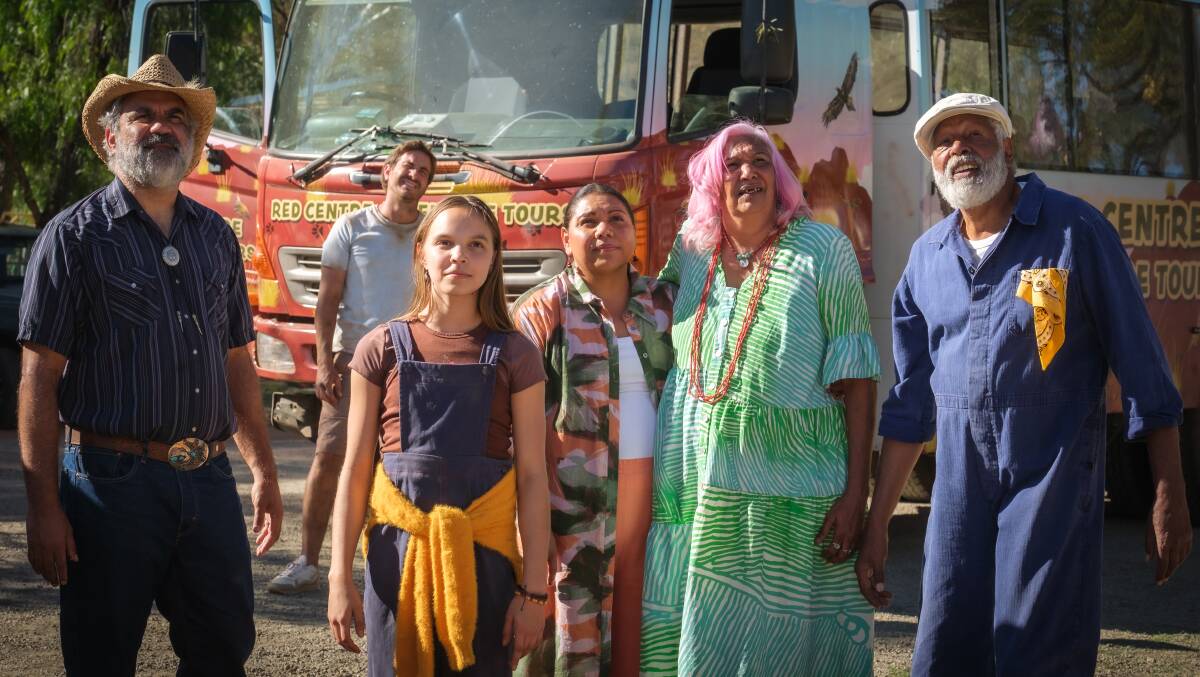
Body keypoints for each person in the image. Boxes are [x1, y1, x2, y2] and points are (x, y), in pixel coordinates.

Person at [859, 93, 1193, 674]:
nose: (959, 148)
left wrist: (1169, 490)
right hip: (958, 493)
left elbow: (1142, 364)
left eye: (976, 136)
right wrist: (878, 525)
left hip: (1053, 483)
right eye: (945, 141)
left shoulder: (1075, 231)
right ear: (933, 164)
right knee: (945, 649)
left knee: (1039, 655)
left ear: (1008, 147)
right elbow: (911, 405)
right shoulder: (925, 260)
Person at [17, 55, 283, 675]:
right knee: (101, 656)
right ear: (112, 135)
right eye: (143, 115)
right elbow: (39, 380)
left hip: (210, 482)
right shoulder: (74, 237)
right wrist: (43, 508)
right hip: (110, 486)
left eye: (175, 118)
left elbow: (236, 361)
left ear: (192, 144)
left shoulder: (216, 237)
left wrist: (262, 470)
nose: (161, 127)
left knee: (222, 652)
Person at [640, 121, 880, 674]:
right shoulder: (689, 254)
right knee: (709, 644)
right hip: (698, 490)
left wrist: (855, 495)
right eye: (733, 164)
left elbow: (859, 377)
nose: (748, 172)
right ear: (709, 184)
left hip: (796, 493)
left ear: (781, 180)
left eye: (761, 162)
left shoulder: (825, 248)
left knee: (789, 649)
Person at [326, 195, 551, 674]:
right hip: (396, 561)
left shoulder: (517, 354)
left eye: (476, 245)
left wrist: (534, 590)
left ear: (494, 260)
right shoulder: (378, 347)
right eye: (445, 242)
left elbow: (533, 476)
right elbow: (355, 469)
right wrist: (339, 576)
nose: (459, 256)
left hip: (485, 564)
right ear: (421, 251)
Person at [512, 183, 674, 675]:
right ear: (565, 239)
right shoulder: (542, 310)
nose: (604, 230)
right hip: (571, 509)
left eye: (617, 220)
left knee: (642, 630)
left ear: (634, 235)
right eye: (588, 222)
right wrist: (528, 540)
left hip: (657, 500)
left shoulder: (666, 303)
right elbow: (516, 434)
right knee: (571, 636)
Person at [268, 140, 436, 594]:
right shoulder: (351, 228)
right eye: (407, 166)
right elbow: (326, 304)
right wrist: (324, 363)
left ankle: (392, 568)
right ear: (387, 173)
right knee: (330, 456)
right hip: (353, 362)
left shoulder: (432, 233)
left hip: (413, 362)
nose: (414, 175)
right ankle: (307, 561)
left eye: (423, 170)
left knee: (405, 465)